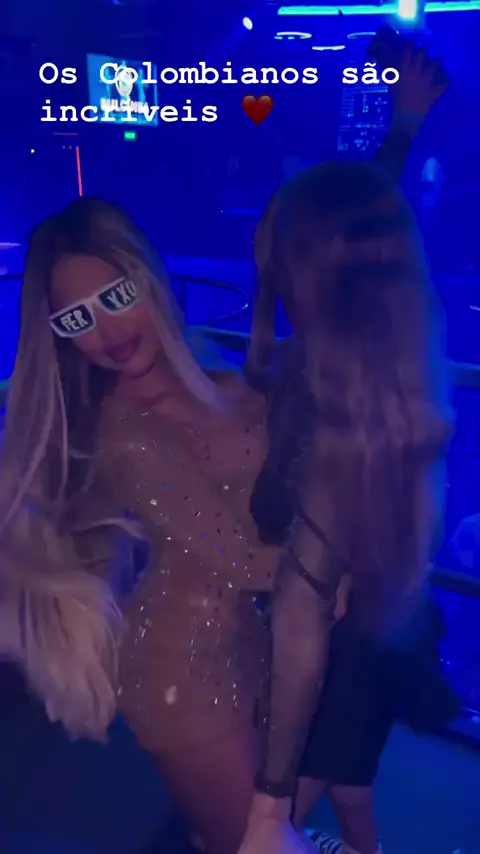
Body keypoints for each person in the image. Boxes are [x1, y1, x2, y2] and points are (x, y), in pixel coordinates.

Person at [0, 199, 282, 854]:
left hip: (247, 640)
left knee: (250, 829)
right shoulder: (124, 431)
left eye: (115, 295)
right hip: (179, 675)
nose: (105, 330)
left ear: (149, 274)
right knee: (250, 843)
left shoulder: (224, 379)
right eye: (77, 318)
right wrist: (345, 565)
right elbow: (244, 560)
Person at [239, 154, 452, 852]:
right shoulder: (397, 369)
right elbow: (360, 235)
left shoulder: (330, 396)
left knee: (308, 795)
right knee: (350, 788)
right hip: (375, 627)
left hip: (347, 645)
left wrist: (268, 808)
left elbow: (303, 610)